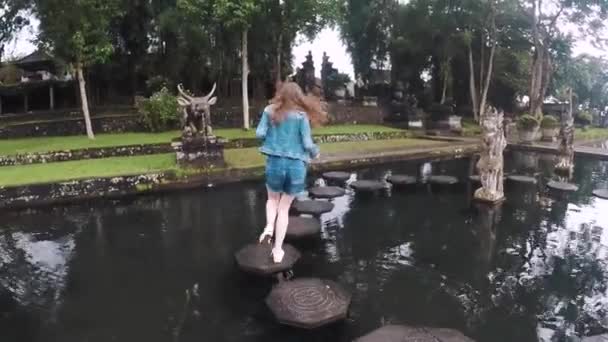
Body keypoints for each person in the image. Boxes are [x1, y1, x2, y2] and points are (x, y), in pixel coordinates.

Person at [255, 82, 327, 263]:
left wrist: (271, 135)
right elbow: (307, 143)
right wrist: (315, 152)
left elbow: (259, 134)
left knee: (272, 199)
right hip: (296, 167)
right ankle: (278, 252)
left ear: (281, 94)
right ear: (298, 96)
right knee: (284, 208)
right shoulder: (301, 116)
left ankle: (269, 226)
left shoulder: (269, 111)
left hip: (275, 163)